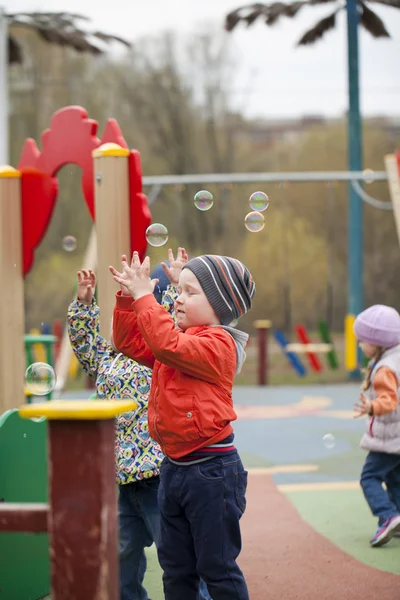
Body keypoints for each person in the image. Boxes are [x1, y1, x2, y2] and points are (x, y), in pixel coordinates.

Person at [110, 250, 255, 600]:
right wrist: (131, 299)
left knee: (217, 568)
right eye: (180, 290)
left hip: (212, 473)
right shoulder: (179, 339)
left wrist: (148, 296)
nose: (178, 298)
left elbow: (166, 343)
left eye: (191, 293)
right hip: (174, 468)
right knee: (175, 570)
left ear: (220, 305)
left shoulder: (219, 344)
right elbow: (129, 342)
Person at [67, 262, 212, 600]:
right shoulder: (110, 359)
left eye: (137, 311)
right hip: (122, 479)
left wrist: (175, 285)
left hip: (158, 475)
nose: (129, 321)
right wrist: (84, 305)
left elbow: (173, 329)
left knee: (175, 554)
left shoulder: (163, 355)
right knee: (121, 555)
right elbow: (85, 343)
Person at [353, 304, 400, 547]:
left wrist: (372, 407)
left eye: (363, 341)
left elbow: (389, 400)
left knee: (369, 476)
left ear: (378, 342)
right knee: (394, 477)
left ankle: (388, 515)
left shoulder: (384, 369)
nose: (361, 345)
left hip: (389, 437)